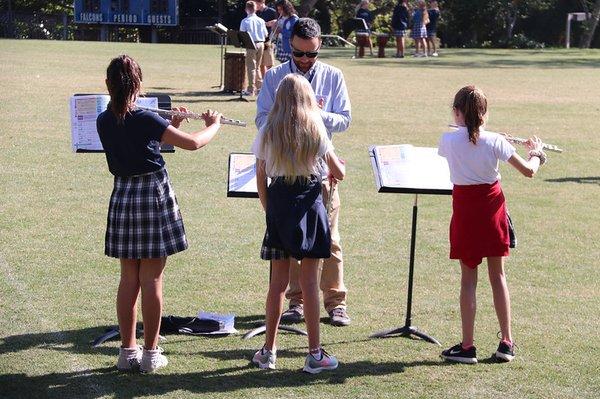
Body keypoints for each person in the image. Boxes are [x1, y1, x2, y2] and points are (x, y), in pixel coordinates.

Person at [96, 55, 223, 373]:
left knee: (129, 278)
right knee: (151, 278)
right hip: (152, 195)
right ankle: (151, 354)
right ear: (138, 85)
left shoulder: (103, 120)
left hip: (124, 195)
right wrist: (214, 126)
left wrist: (171, 125)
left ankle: (128, 353)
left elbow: (143, 148)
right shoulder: (146, 119)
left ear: (108, 85)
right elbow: (193, 144)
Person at [437, 85, 547, 364]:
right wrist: (537, 153)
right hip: (491, 210)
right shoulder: (495, 141)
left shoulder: (447, 140)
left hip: (465, 212)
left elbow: (467, 142)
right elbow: (529, 171)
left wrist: (493, 138)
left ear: (456, 112)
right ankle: (506, 342)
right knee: (497, 276)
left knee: (468, 280)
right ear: (484, 113)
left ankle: (467, 346)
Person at [256, 18, 353, 327]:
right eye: (298, 54)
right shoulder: (274, 77)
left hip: (321, 173)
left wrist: (311, 115)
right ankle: (296, 302)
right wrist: (288, 122)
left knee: (330, 240)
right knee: (289, 243)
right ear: (290, 47)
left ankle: (335, 302)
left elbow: (345, 119)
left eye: (311, 54)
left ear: (319, 47)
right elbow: (261, 119)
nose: (304, 61)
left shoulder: (333, 76)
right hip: (284, 173)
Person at [251, 74, 346, 373]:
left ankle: (268, 351)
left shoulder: (268, 129)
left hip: (278, 202)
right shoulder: (315, 127)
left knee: (277, 284)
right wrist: (340, 165)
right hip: (309, 202)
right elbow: (338, 172)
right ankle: (315, 354)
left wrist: (270, 211)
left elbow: (260, 175)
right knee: (308, 283)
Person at [240, 1, 268, 96]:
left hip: (251, 44)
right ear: (255, 9)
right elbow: (266, 34)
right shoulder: (261, 20)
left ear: (246, 9)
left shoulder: (245, 21)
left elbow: (242, 34)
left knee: (251, 67)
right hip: (261, 43)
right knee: (257, 67)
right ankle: (260, 88)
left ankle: (251, 89)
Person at [256, 0, 278, 76]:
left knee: (269, 63)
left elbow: (278, 21)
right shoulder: (256, 13)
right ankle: (264, 82)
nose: (255, 5)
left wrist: (269, 23)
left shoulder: (271, 11)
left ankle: (271, 80)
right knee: (261, 64)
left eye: (257, 3)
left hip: (268, 40)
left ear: (262, 2)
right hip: (259, 40)